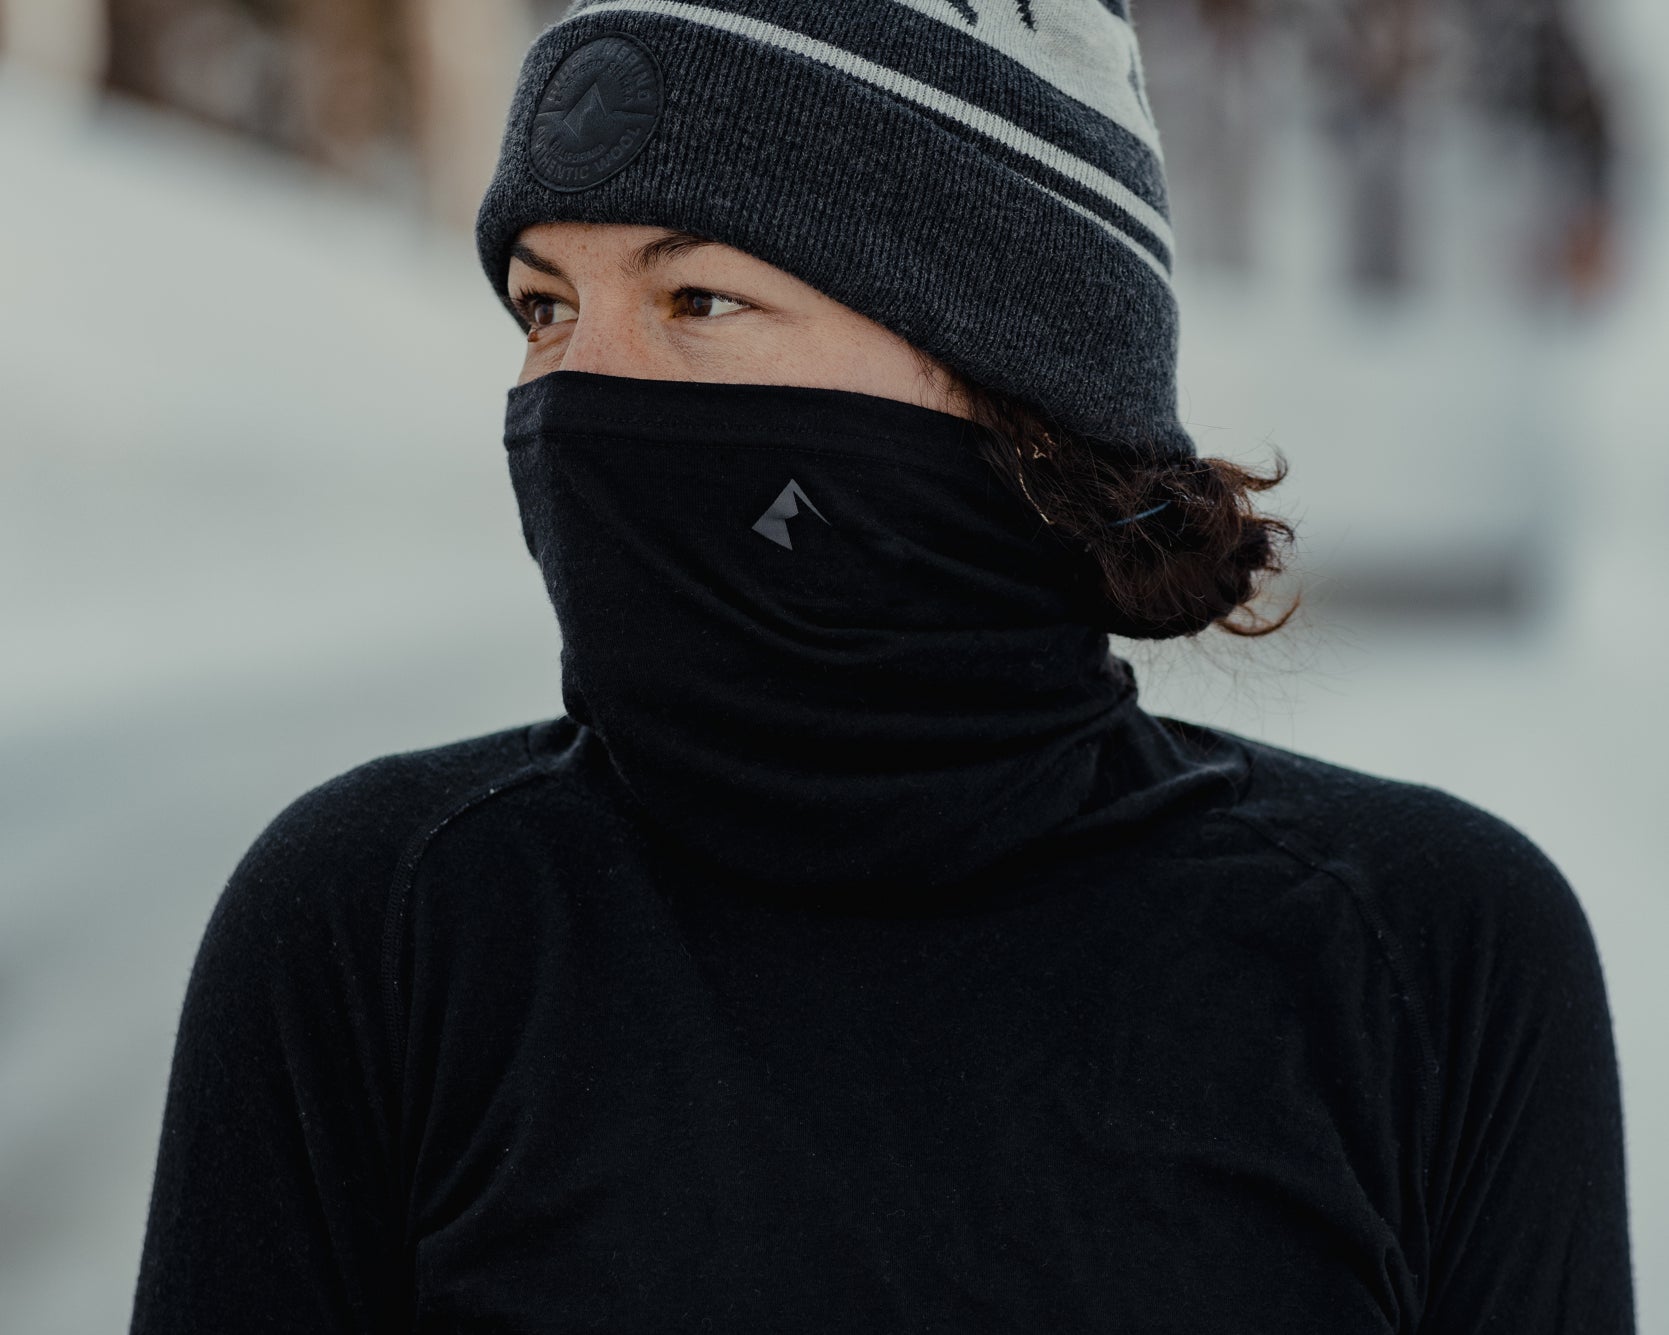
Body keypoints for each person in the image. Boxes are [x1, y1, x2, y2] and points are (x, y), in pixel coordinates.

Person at [128, 2, 1636, 1330]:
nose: (576, 393)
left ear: (1008, 372)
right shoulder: (379, 927)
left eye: (697, 300)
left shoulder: (1419, 957)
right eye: (542, 307)